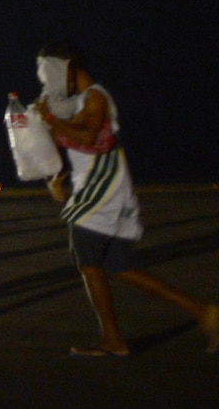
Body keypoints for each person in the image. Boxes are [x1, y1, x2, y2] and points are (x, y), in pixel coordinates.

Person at [32, 41, 219, 357]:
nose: (46, 83)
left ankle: (113, 340)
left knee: (88, 262)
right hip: (99, 190)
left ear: (66, 68)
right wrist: (54, 177)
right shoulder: (77, 102)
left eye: (48, 73)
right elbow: (67, 143)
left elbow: (89, 136)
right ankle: (206, 314)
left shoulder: (96, 97)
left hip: (101, 191)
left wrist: (50, 120)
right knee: (120, 268)